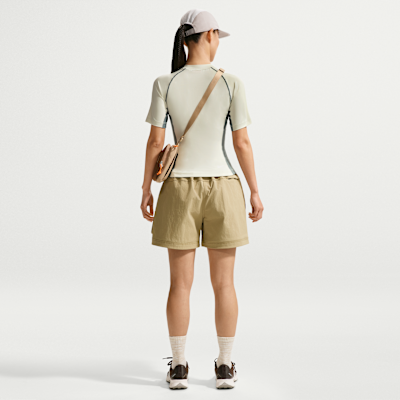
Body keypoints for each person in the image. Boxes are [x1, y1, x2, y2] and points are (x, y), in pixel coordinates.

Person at [140, 9, 264, 390]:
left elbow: (156, 142)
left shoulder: (165, 82)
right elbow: (242, 143)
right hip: (224, 188)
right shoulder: (230, 83)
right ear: (209, 36)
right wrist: (255, 190)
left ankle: (179, 367)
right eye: (217, 36)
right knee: (224, 284)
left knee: (180, 284)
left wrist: (145, 188)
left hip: (178, 190)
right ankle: (224, 367)